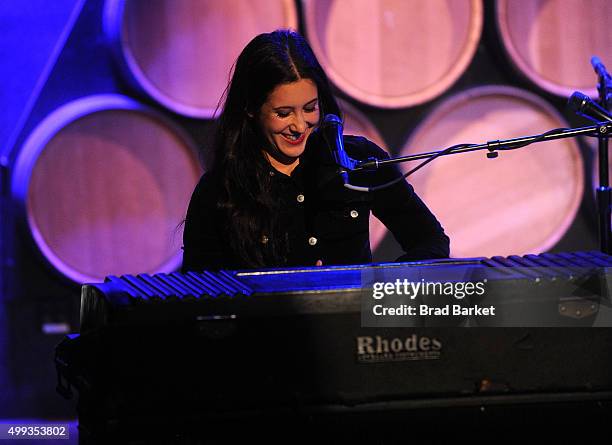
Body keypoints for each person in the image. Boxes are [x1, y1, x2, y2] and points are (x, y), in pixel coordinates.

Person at [182, 29, 449, 272]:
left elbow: (431, 241)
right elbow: (201, 294)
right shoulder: (220, 189)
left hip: (355, 324)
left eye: (310, 108)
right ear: (251, 109)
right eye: (283, 113)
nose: (300, 126)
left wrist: (373, 292)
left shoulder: (359, 161)